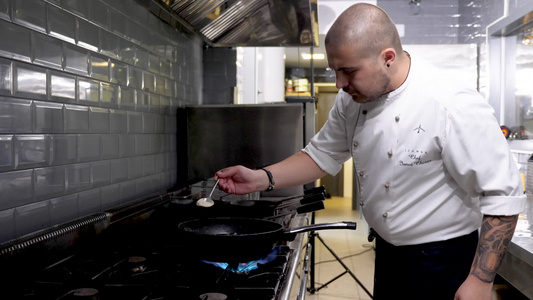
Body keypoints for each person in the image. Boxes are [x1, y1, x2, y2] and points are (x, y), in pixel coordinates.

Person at [215, 3, 526, 300]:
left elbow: (503, 195)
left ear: (387, 57)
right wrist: (259, 178)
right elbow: (321, 155)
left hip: (443, 260)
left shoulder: (451, 103)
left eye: (348, 71)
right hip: (389, 252)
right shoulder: (352, 101)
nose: (339, 83)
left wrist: (481, 279)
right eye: (335, 70)